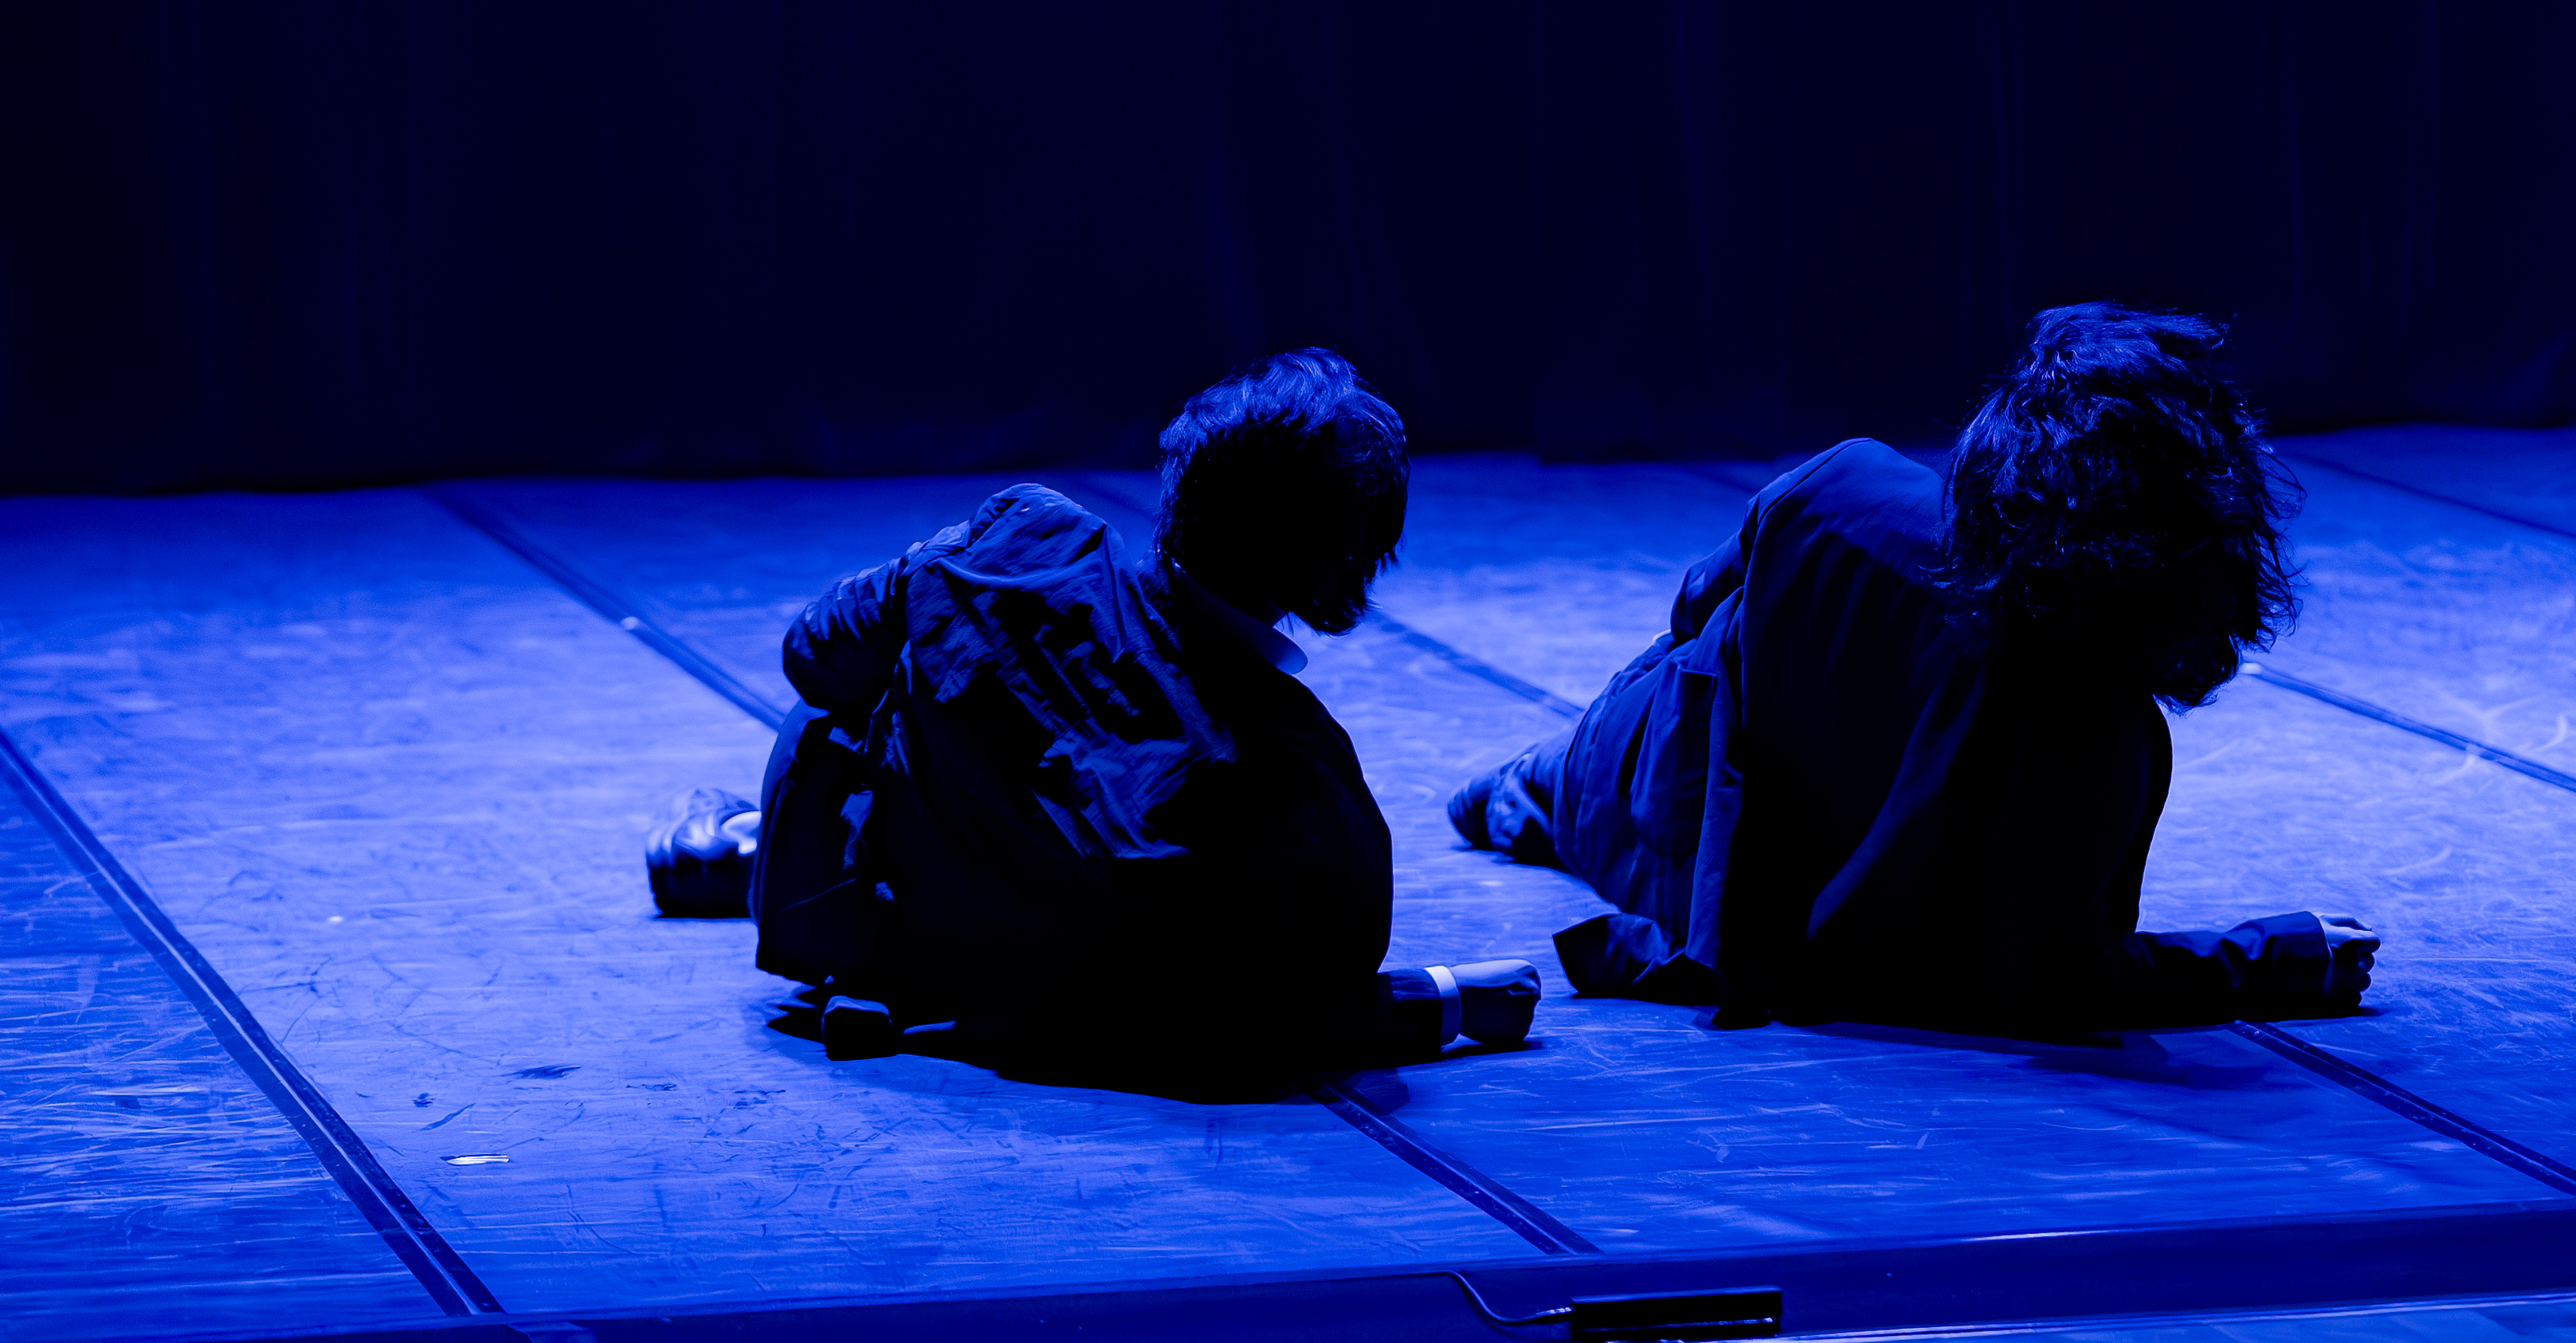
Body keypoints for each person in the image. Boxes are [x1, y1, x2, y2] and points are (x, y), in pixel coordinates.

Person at [1448, 304, 2376, 1038]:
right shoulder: (2095, 738)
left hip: (1651, 768)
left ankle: (1536, 783)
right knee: (1570, 782)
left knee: (1580, 764)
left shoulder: (1845, 490)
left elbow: (1695, 605)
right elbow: (2045, 980)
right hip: (1698, 835)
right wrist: (2267, 958)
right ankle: (1535, 786)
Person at [735, 348, 1533, 1079]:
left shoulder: (1023, 542)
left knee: (866, 695)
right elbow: (1279, 1010)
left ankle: (756, 846)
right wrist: (1443, 999)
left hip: (842, 900)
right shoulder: (1299, 790)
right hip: (1028, 971)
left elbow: (813, 651)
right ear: (1352, 560)